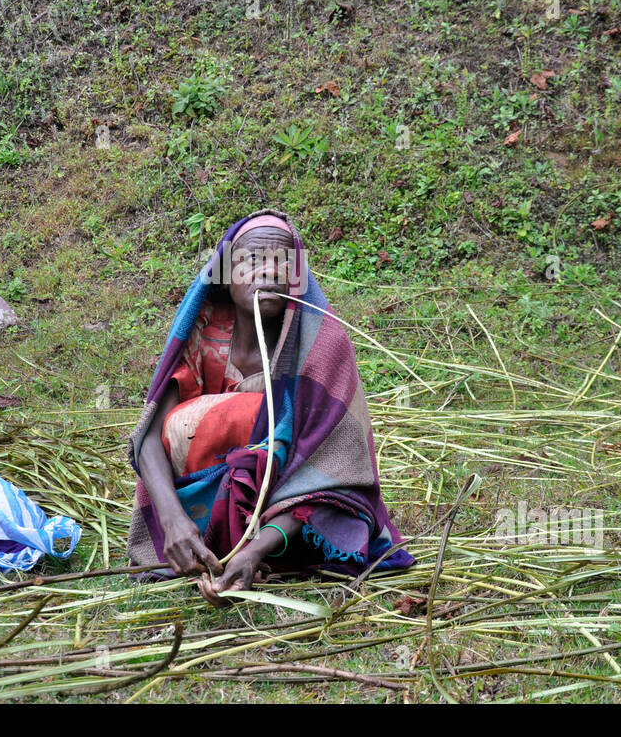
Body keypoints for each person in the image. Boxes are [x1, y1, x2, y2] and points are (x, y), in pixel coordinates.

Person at [126, 209, 414, 606]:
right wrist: (173, 521)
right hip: (197, 514)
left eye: (282, 263)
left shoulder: (321, 347)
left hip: (290, 518)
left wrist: (256, 549)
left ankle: (255, 557)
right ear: (226, 276)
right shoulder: (201, 333)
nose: (269, 272)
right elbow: (148, 439)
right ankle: (202, 549)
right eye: (253, 260)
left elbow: (338, 470)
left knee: (287, 442)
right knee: (187, 422)